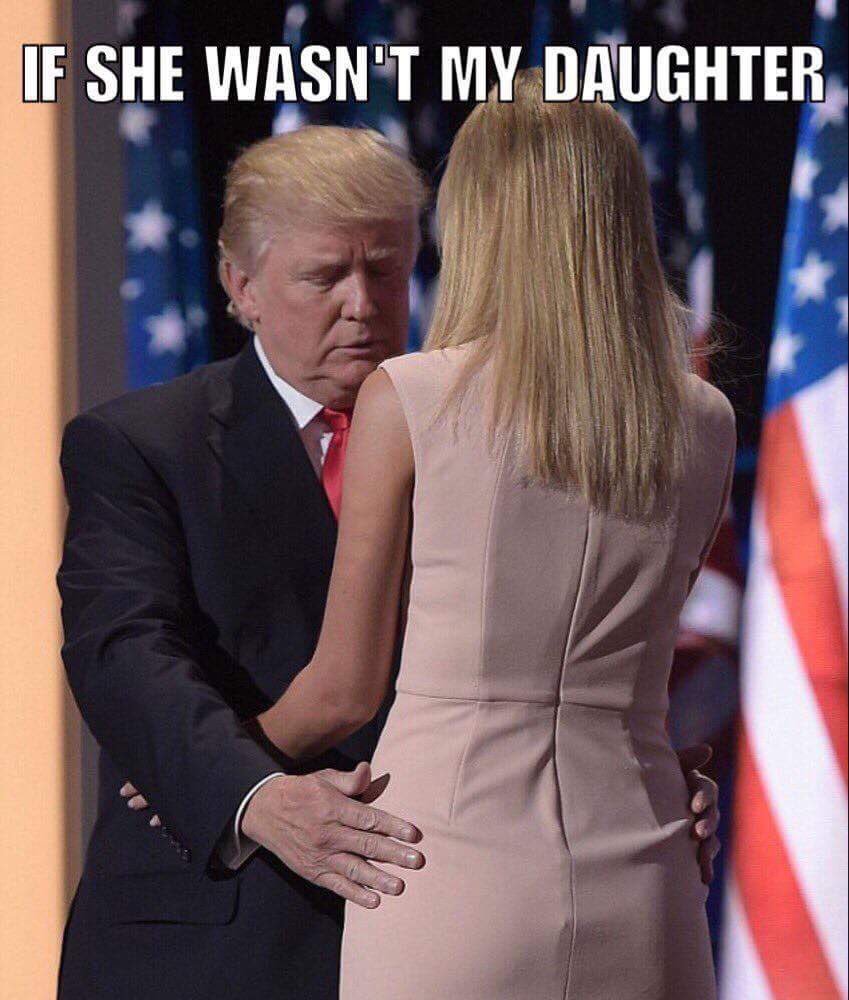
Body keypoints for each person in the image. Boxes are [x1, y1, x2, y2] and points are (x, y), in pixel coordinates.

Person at [57, 123, 719, 1000]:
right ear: (240, 285)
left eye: (386, 270)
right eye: (325, 275)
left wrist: (631, 771)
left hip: (442, 900)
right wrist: (233, 786)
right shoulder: (141, 443)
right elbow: (125, 654)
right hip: (227, 922)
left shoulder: (461, 414)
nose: (362, 304)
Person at [250, 75, 734, 999]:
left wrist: (213, 766)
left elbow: (344, 688)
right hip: (645, 866)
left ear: (475, 221)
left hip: (443, 868)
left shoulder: (411, 397)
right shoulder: (704, 420)